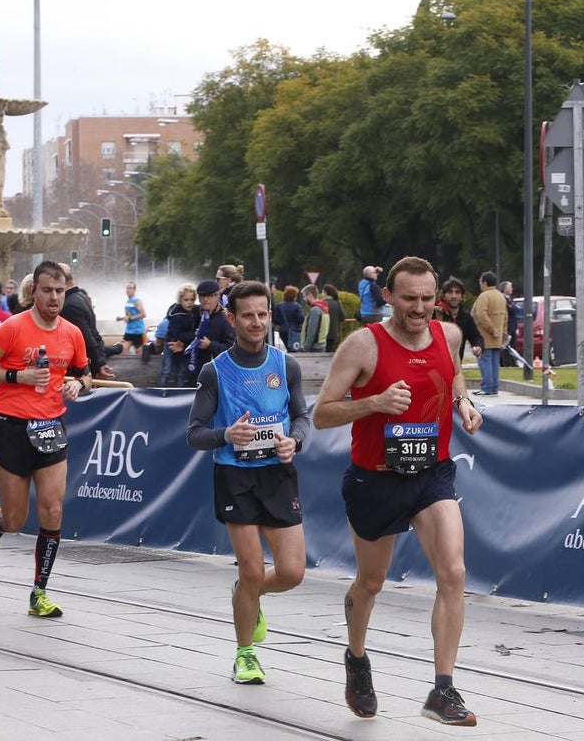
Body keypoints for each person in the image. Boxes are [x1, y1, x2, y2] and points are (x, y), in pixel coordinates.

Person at [311, 255, 483, 727]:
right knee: (371, 581)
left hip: (432, 474)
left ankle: (442, 690)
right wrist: (374, 403)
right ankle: (357, 658)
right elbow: (322, 413)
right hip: (376, 478)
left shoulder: (449, 334)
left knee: (453, 572)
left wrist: (465, 402)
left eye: (428, 299)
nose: (421, 308)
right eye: (410, 299)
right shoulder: (362, 345)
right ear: (388, 297)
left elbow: (453, 375)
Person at [186, 280, 310, 685]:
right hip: (235, 477)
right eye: (247, 315)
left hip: (277, 475)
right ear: (231, 318)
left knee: (291, 572)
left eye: (262, 314)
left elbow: (301, 417)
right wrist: (227, 435)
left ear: (269, 315)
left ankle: (246, 593)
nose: (256, 322)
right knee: (254, 569)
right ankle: (245, 653)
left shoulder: (285, 364)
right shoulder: (215, 370)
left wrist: (296, 441)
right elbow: (195, 433)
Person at [0, 261, 92, 618]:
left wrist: (76, 384)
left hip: (51, 427)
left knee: (53, 509)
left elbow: (86, 376)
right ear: (33, 292)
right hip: (11, 428)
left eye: (60, 291)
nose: (54, 298)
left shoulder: (72, 333)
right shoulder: (12, 327)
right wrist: (17, 376)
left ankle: (40, 591)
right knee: (15, 519)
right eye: (47, 291)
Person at [58, 265, 116, 381]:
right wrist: (100, 361)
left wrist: (98, 364)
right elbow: (94, 334)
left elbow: (87, 338)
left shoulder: (70, 305)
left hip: (77, 368)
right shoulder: (81, 297)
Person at [184, 280, 236, 382]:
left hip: (215, 375)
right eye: (202, 296)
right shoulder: (193, 313)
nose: (205, 299)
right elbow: (176, 326)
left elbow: (232, 348)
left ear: (217, 296)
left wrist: (210, 345)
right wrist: (184, 342)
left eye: (209, 296)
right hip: (191, 372)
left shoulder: (224, 319)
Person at [470, 271, 506, 396]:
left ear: (485, 282)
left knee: (485, 361)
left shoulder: (484, 296)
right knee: (495, 363)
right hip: (498, 337)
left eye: (480, 282)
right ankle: (494, 387)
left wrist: (491, 329)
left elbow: (481, 314)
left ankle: (487, 388)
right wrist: (501, 332)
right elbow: (505, 317)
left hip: (485, 336)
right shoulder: (500, 296)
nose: (480, 284)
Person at [160, 283, 200, 387]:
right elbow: (176, 333)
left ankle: (179, 394)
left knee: (181, 371)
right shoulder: (176, 314)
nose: (189, 303)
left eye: (192, 299)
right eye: (186, 300)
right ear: (180, 300)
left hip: (185, 345)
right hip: (171, 342)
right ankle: (160, 391)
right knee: (166, 370)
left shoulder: (196, 311)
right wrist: (194, 335)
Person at [435, 277, 482, 362]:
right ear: (444, 296)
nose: (454, 296)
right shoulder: (436, 315)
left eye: (457, 292)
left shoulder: (467, 318)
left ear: (462, 296)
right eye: (450, 292)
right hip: (435, 364)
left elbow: (476, 337)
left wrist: (478, 346)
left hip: (456, 366)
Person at [116, 281, 147, 355]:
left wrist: (131, 318)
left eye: (130, 288)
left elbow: (143, 314)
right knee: (124, 350)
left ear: (134, 290)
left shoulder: (137, 301)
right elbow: (128, 316)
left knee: (138, 353)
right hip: (129, 330)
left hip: (138, 331)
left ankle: (140, 366)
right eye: (127, 288)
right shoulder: (128, 301)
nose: (128, 290)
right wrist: (121, 318)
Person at [299, 284, 329, 353]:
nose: (304, 299)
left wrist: (305, 348)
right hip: (321, 345)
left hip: (313, 348)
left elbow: (311, 331)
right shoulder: (323, 308)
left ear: (310, 295)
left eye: (304, 296)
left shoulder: (315, 310)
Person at [274, 286, 304, 351]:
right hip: (295, 330)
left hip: (283, 331)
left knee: (287, 347)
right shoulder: (297, 306)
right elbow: (301, 319)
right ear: (294, 296)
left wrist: (282, 322)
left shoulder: (280, 306)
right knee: (294, 348)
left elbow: (275, 319)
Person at [498, 280, 518, 367]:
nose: (512, 289)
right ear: (504, 289)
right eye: (510, 287)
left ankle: (513, 363)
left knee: (513, 345)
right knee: (506, 346)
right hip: (507, 326)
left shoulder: (510, 299)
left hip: (513, 326)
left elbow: (515, 309)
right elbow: (511, 310)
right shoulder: (502, 299)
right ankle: (506, 364)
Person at [322, 284, 345, 353]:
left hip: (322, 333)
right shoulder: (337, 303)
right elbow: (343, 317)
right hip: (333, 333)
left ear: (326, 292)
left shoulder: (321, 303)